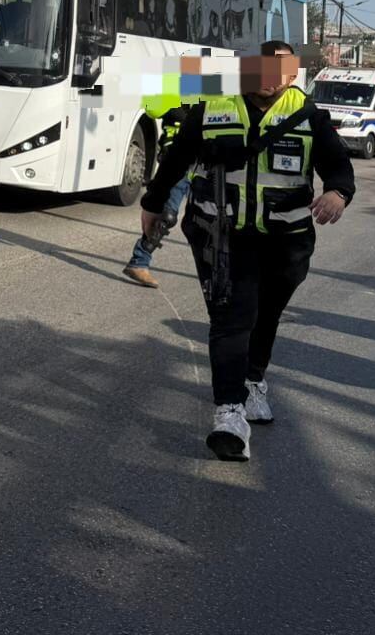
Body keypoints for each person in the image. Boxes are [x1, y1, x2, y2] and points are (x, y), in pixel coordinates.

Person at [139, 40, 355, 462]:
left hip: (286, 242)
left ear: (292, 76)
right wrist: (152, 204)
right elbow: (176, 160)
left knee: (266, 313)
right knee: (232, 316)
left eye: (282, 72)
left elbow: (339, 167)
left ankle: (254, 379)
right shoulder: (212, 108)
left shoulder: (309, 117)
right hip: (222, 236)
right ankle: (230, 413)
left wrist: (337, 195)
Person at [122, 104, 189, 288]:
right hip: (177, 155)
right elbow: (154, 107)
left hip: (209, 156)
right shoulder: (177, 82)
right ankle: (139, 262)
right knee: (165, 216)